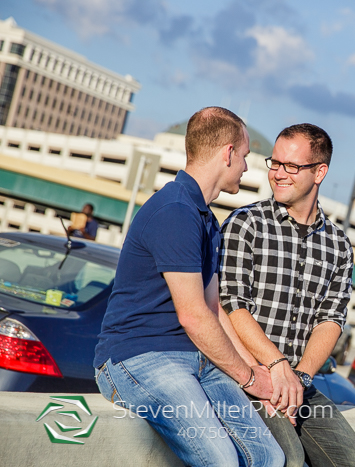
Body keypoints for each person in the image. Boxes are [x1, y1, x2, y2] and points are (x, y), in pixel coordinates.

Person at [93, 107, 284, 467]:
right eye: (244, 157)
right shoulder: (174, 210)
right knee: (221, 460)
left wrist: (256, 374)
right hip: (139, 357)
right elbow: (194, 316)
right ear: (227, 153)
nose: (246, 167)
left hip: (198, 360)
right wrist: (247, 378)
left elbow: (213, 309)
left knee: (269, 457)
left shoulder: (206, 219)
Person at [219, 123, 355, 467]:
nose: (278, 174)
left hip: (298, 382)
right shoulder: (245, 224)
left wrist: (299, 378)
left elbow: (331, 319)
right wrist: (276, 369)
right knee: (286, 458)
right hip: (248, 375)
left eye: (292, 166)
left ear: (320, 172)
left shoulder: (339, 245)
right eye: (275, 163)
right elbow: (231, 305)